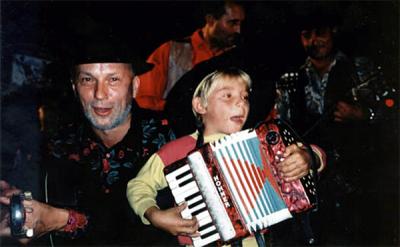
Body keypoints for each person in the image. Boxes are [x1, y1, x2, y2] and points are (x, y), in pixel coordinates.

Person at [0, 37, 177, 246]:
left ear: (135, 86)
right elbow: (28, 195)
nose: (100, 94)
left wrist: (62, 220)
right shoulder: (56, 145)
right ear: (75, 88)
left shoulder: (172, 140)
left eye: (113, 80)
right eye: (87, 79)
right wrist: (13, 201)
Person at [127, 68, 326, 246]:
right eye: (228, 96)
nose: (241, 102)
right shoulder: (178, 150)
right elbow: (138, 185)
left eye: (245, 97)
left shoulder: (262, 143)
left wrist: (309, 157)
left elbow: (316, 153)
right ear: (200, 106)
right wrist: (154, 215)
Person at [272, 10, 397, 246]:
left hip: (360, 178)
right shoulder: (291, 78)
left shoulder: (360, 69)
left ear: (333, 32)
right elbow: (281, 125)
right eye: (306, 35)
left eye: (320, 33)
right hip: (317, 183)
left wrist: (363, 114)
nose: (313, 41)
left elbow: (391, 110)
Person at [135, 0, 246, 111]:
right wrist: (181, 112)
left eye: (240, 24)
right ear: (211, 20)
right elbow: (143, 100)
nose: (238, 30)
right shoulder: (171, 51)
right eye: (233, 23)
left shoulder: (237, 59)